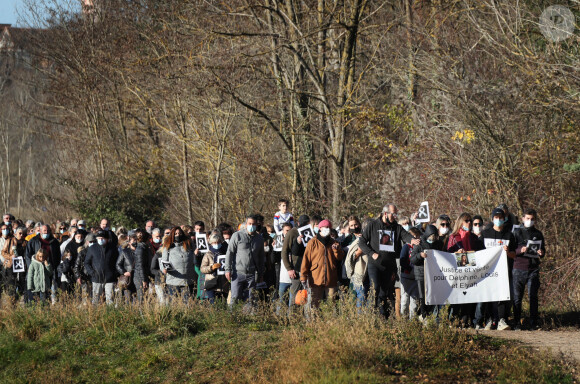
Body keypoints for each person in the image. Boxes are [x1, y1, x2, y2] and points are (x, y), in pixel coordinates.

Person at [358, 204, 419, 319]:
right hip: (375, 265)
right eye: (393, 214)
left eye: (396, 214)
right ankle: (371, 316)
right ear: (385, 214)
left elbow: (405, 235)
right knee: (375, 288)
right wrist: (372, 253)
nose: (395, 217)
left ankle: (384, 318)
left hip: (389, 266)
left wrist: (413, 240)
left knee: (385, 293)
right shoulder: (373, 225)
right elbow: (361, 242)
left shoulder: (396, 227)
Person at [478, 208, 516, 330]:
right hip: (488, 272)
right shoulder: (485, 234)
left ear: (504, 219)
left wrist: (508, 252)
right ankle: (490, 320)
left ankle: (501, 320)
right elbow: (478, 252)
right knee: (489, 296)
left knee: (502, 296)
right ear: (492, 218)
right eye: (496, 217)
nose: (498, 220)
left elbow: (514, 255)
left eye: (501, 217)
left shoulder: (509, 235)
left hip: (504, 272)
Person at [300, 220, 345, 309]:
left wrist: (336, 250)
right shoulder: (312, 242)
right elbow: (306, 260)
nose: (327, 229)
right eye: (325, 227)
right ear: (320, 228)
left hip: (331, 278)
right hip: (315, 278)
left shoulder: (334, 242)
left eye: (329, 227)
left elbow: (340, 257)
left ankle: (330, 322)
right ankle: (314, 322)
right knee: (314, 303)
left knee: (331, 303)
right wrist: (303, 276)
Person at [513, 208, 545, 330]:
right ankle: (516, 323)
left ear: (535, 220)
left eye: (532, 219)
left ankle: (533, 323)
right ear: (523, 219)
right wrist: (519, 251)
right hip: (518, 268)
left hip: (533, 268)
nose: (529, 221)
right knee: (517, 297)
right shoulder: (516, 232)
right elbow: (510, 250)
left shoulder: (538, 234)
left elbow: (543, 251)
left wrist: (541, 252)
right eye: (527, 219)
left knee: (533, 296)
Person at [224, 215, 265, 309]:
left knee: (250, 300)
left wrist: (261, 273)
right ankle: (232, 319)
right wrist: (227, 269)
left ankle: (247, 321)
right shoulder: (237, 235)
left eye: (253, 224)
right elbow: (229, 253)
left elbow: (261, 257)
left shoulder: (259, 239)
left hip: (252, 274)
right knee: (235, 298)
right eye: (250, 223)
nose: (251, 226)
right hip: (237, 273)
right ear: (246, 224)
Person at [410, 224, 445, 321]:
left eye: (434, 238)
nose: (432, 240)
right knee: (423, 296)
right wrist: (420, 255)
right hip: (421, 273)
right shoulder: (419, 243)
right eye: (430, 238)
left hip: (433, 273)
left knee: (432, 295)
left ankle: (426, 314)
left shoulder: (439, 244)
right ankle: (423, 315)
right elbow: (412, 259)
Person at [281, 214, 310, 309]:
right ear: (298, 223)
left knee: (308, 298)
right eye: (303, 224)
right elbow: (284, 251)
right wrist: (289, 269)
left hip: (309, 269)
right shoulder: (292, 233)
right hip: (297, 269)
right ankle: (293, 320)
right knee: (295, 298)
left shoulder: (310, 232)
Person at [85, 230, 119, 305]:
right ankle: (95, 315)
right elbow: (87, 263)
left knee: (110, 301)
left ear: (107, 239)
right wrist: (92, 273)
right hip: (96, 278)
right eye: (99, 238)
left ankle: (110, 315)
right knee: (95, 301)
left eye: (102, 238)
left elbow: (117, 262)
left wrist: (115, 274)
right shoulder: (92, 248)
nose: (100, 240)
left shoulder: (113, 249)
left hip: (110, 279)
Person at [162, 227, 195, 303]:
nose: (178, 235)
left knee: (187, 303)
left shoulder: (189, 244)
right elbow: (163, 261)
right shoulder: (168, 246)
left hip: (187, 279)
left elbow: (194, 256)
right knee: (174, 303)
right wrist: (164, 269)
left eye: (179, 233)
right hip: (173, 280)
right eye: (176, 234)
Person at [344, 218, 368, 308]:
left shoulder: (365, 235)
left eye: (355, 224)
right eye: (351, 226)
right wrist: (357, 253)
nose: (354, 227)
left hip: (367, 269)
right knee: (356, 297)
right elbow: (346, 257)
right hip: (354, 272)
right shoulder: (348, 239)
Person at [200, 231, 228, 303]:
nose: (216, 244)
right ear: (211, 243)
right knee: (213, 305)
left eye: (218, 242)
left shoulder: (225, 253)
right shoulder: (208, 255)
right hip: (212, 283)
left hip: (223, 284)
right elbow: (202, 268)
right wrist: (211, 267)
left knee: (223, 305)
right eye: (214, 243)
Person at [399, 227, 421, 319]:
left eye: (417, 237)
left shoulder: (420, 248)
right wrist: (408, 268)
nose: (416, 239)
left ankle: (412, 322)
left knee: (414, 302)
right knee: (404, 300)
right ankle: (404, 320)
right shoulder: (406, 247)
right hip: (406, 277)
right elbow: (402, 261)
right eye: (413, 237)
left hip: (415, 278)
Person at [1, 226, 27, 302]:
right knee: (11, 284)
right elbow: (3, 252)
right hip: (11, 265)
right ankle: (11, 302)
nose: (21, 235)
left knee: (22, 284)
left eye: (23, 233)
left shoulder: (25, 242)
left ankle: (19, 301)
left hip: (21, 266)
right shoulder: (9, 241)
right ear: (15, 234)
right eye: (20, 233)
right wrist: (10, 256)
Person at [116, 234, 138, 304]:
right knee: (128, 299)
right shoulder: (124, 252)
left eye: (136, 240)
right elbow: (118, 265)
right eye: (134, 241)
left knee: (138, 300)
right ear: (129, 242)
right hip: (128, 280)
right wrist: (124, 272)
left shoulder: (141, 251)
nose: (135, 242)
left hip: (138, 279)